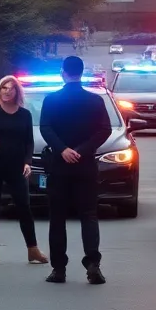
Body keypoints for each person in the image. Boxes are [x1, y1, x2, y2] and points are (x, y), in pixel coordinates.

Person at [39, 55, 112, 285]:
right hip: (86, 165)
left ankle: (58, 269)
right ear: (82, 72)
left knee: (57, 218)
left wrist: (63, 150)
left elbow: (46, 128)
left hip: (59, 167)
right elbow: (105, 130)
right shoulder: (95, 101)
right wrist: (82, 150)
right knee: (88, 216)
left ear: (63, 72)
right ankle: (92, 264)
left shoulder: (51, 100)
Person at [0, 76, 47, 266]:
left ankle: (32, 249)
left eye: (11, 88)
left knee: (24, 206)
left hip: (16, 165)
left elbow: (29, 141)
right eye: (4, 88)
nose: (7, 91)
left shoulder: (24, 114)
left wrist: (27, 162)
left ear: (17, 92)